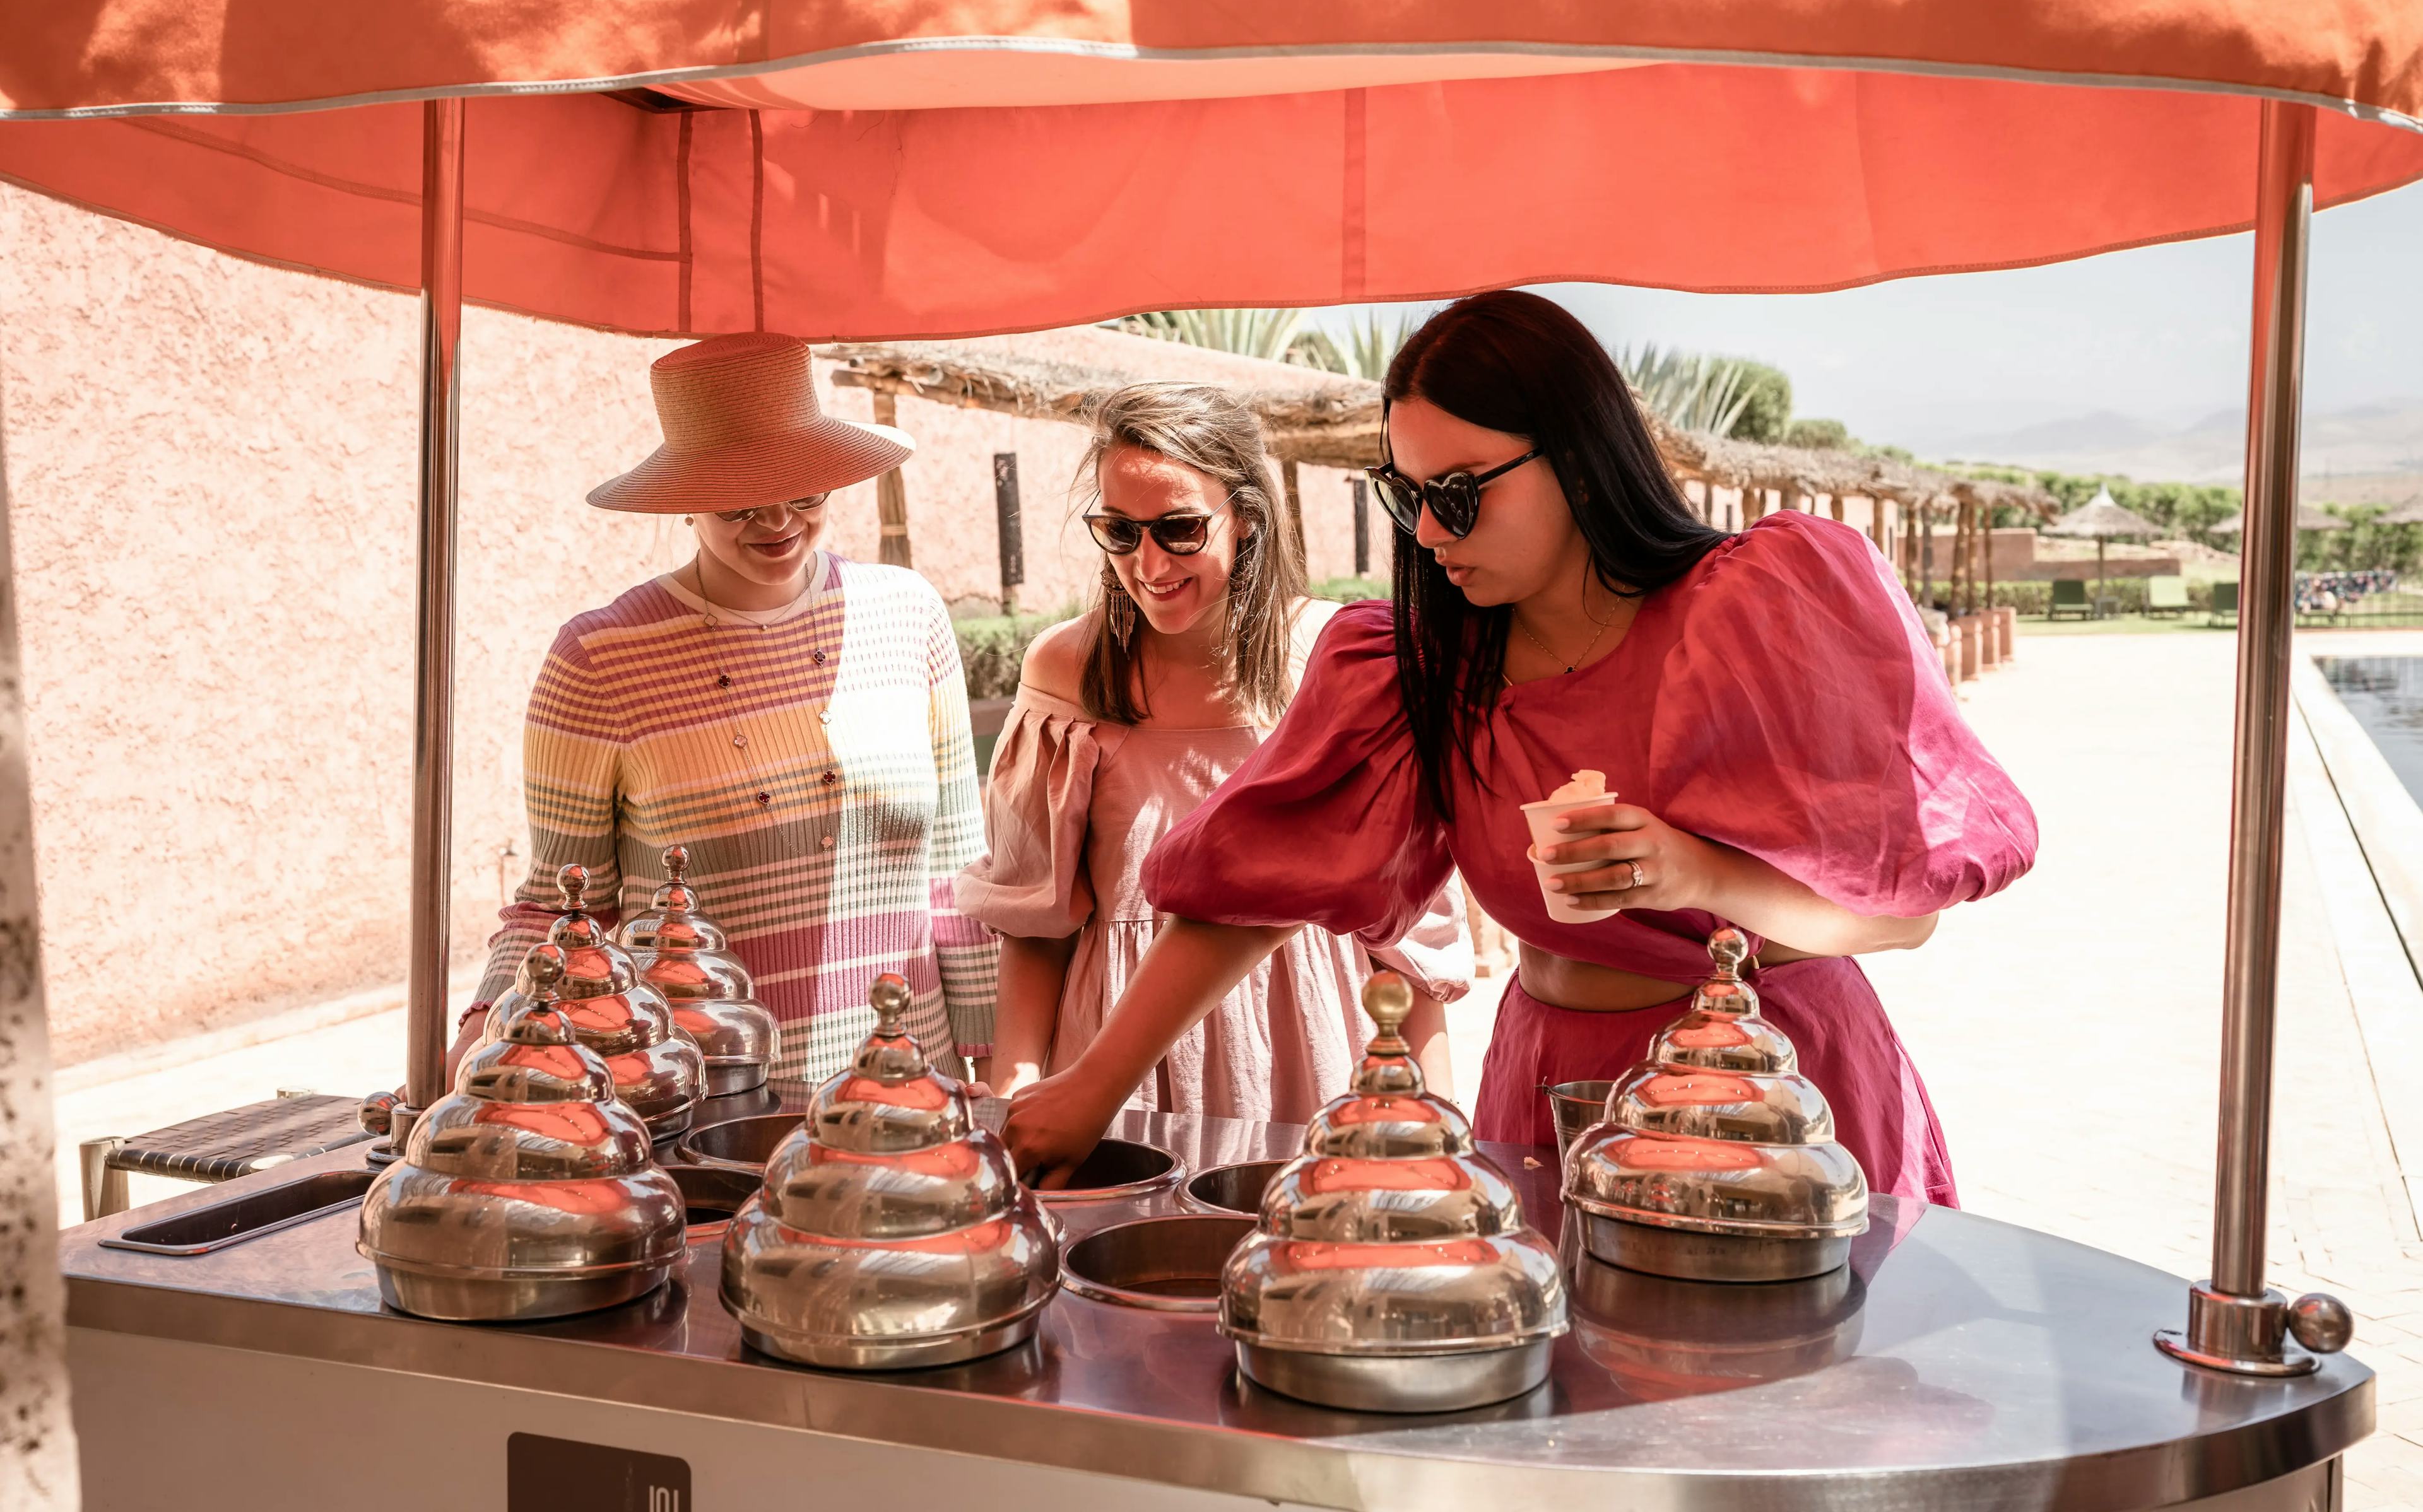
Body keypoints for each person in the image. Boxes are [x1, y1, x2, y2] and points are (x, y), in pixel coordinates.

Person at [1003, 293, 2036, 1205]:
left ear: (1575, 453)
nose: (1431, 536)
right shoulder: (1422, 672)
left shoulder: (1761, 608)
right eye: (1408, 501)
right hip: (1552, 1096)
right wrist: (1090, 1088)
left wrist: (1690, 869)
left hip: (1776, 1106)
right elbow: (1266, 889)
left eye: (1459, 494)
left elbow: (1906, 921)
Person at [451, 332, 998, 1086]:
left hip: (904, 1082)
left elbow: (957, 869)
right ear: (684, 501)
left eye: (804, 493)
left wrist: (989, 1046)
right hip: (701, 1095)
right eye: (741, 503)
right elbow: (561, 903)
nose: (777, 522)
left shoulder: (910, 614)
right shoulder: (599, 657)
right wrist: (484, 1027)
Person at [958, 382, 1468, 1134]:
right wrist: (1016, 1090)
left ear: (1248, 518)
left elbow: (1407, 934)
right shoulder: (1068, 667)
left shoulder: (1343, 656)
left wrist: (1437, 1108)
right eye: (1120, 531)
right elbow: (1038, 924)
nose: (1150, 561)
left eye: (1180, 528)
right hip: (1118, 1064)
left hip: (1317, 1043)